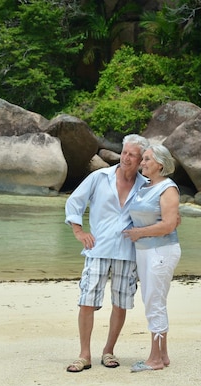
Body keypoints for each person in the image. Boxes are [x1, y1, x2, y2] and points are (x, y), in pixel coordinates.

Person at [64, 134, 149, 373]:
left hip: (127, 251)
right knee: (87, 301)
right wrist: (78, 230)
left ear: (141, 159)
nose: (126, 158)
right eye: (124, 152)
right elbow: (74, 202)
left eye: (132, 155)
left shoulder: (146, 185)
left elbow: (157, 214)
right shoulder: (99, 177)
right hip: (97, 248)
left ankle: (109, 350)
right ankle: (84, 355)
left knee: (120, 303)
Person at [122, 143, 182, 372]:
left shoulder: (168, 188)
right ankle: (163, 355)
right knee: (153, 300)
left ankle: (154, 359)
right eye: (143, 159)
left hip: (161, 251)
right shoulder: (146, 186)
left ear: (160, 164)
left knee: (154, 302)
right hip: (145, 251)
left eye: (147, 159)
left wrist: (139, 233)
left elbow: (168, 225)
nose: (142, 162)